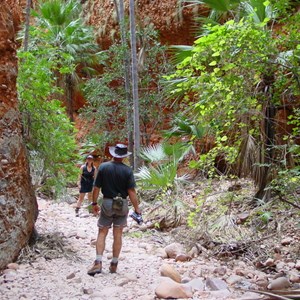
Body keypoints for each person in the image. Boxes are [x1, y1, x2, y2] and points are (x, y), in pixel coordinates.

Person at [87, 144, 141, 276]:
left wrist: (94, 203)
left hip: (107, 202)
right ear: (123, 157)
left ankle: (98, 262)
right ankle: (114, 264)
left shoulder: (104, 167)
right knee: (118, 234)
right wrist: (137, 209)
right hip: (122, 204)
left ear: (113, 154)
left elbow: (96, 187)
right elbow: (131, 192)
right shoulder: (128, 171)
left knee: (102, 231)